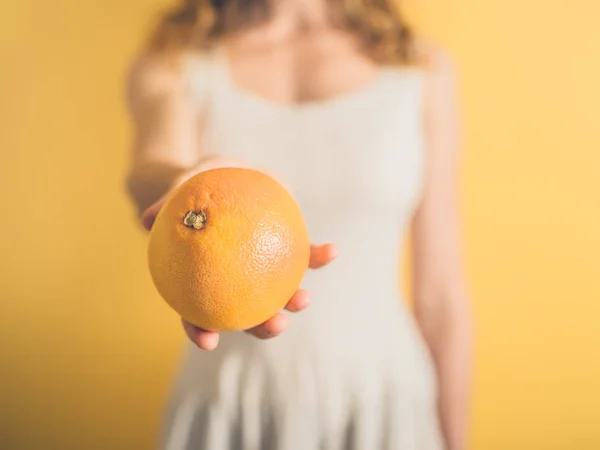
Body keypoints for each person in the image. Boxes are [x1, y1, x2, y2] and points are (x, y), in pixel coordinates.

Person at [125, 0, 472, 448]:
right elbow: (150, 167)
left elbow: (440, 293)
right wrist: (184, 184)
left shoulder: (417, 66)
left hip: (383, 398)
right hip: (231, 402)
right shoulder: (177, 58)